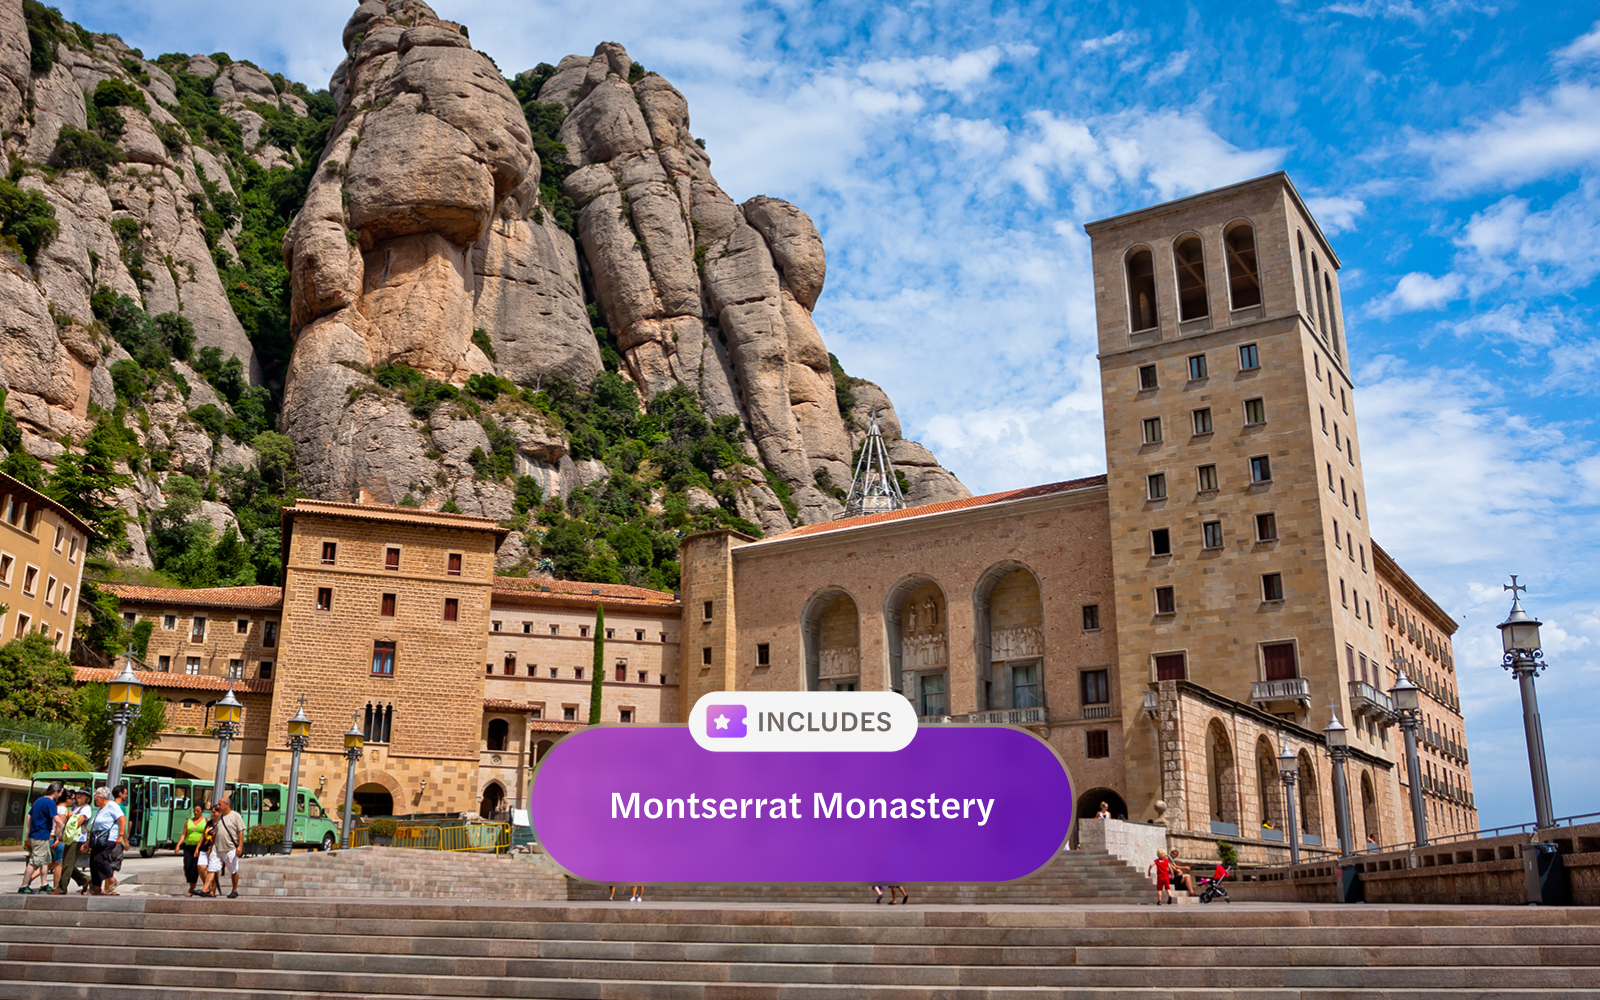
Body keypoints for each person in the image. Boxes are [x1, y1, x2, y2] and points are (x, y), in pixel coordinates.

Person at [19, 781, 64, 894]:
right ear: (56, 791)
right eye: (60, 792)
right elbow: (56, 818)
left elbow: (29, 815)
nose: (60, 795)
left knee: (45, 861)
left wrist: (28, 831)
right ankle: (24, 886)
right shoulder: (50, 803)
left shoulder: (38, 800)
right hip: (41, 835)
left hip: (36, 834)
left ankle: (44, 884)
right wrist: (65, 828)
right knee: (34, 861)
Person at [87, 787, 126, 896]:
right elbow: (95, 827)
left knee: (99, 859)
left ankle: (111, 879)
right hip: (98, 839)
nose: (95, 799)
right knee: (93, 862)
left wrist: (120, 836)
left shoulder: (112, 806)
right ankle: (96, 888)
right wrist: (87, 842)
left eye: (96, 796)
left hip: (109, 838)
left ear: (103, 797)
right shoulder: (100, 809)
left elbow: (123, 820)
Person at [54, 788, 92, 895]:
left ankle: (62, 888)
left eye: (82, 795)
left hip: (77, 838)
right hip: (70, 838)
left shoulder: (86, 808)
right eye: (78, 794)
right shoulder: (75, 807)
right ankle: (84, 879)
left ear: (87, 798)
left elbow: (77, 823)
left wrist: (70, 816)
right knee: (67, 863)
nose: (79, 796)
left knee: (67, 864)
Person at [210, 796, 246, 899]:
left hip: (230, 848)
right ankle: (210, 890)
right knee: (212, 868)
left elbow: (240, 832)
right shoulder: (220, 817)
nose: (218, 806)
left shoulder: (235, 816)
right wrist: (211, 846)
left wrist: (240, 846)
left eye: (220, 805)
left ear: (226, 805)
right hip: (217, 848)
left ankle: (234, 890)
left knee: (233, 870)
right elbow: (216, 832)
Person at [180, 804, 207, 896]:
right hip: (189, 847)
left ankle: (193, 888)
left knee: (195, 867)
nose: (195, 813)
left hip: (200, 847)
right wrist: (178, 845)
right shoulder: (189, 821)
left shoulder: (206, 820)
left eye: (198, 811)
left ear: (202, 811)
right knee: (187, 867)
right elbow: (184, 834)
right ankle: (193, 884)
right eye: (194, 811)